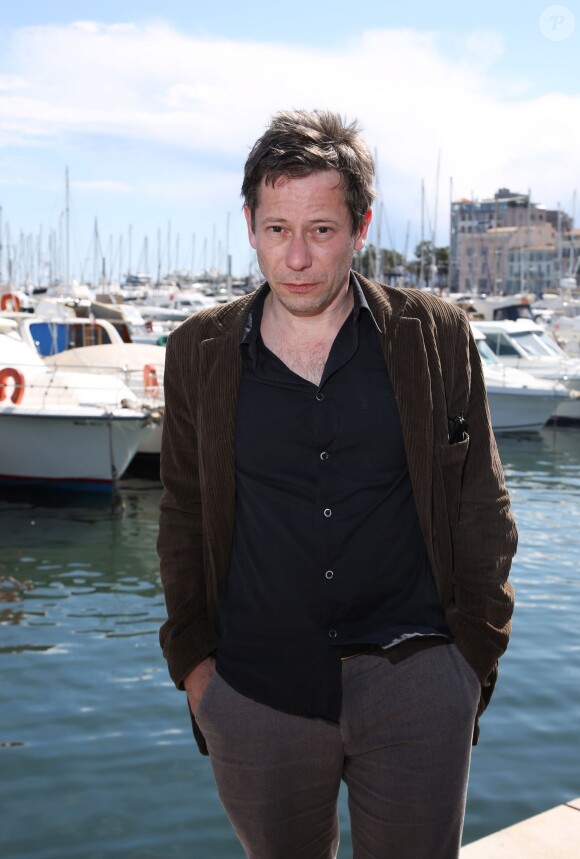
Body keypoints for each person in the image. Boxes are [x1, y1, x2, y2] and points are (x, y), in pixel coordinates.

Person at [157, 109, 517, 859]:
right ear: (250, 223)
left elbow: (482, 506)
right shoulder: (200, 350)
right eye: (277, 229)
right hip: (256, 693)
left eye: (321, 230)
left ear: (361, 227)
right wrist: (198, 673)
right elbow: (184, 517)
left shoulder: (435, 333)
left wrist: (467, 663)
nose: (296, 258)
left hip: (417, 679)